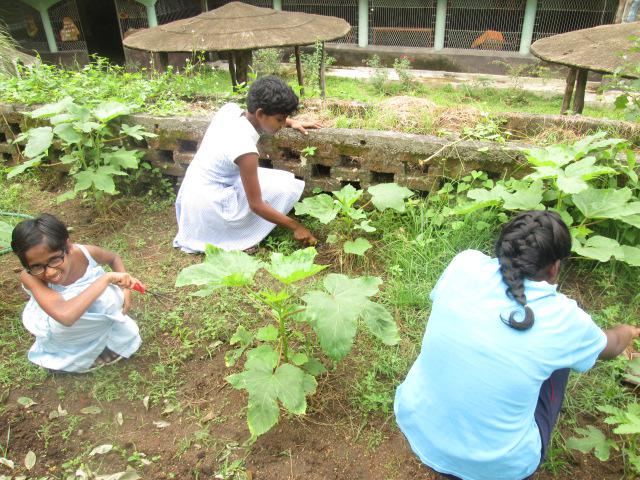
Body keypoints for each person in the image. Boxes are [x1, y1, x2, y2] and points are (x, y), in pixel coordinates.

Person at [394, 211, 640, 480]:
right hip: (499, 466)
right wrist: (628, 330)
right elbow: (612, 346)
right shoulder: (564, 320)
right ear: (555, 267)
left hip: (417, 424)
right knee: (564, 354)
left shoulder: (464, 264)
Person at [173, 75, 318, 253]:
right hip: (207, 206)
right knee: (283, 189)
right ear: (260, 114)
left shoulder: (230, 111)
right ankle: (233, 238)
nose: (282, 125)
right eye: (280, 119)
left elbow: (263, 116)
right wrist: (296, 226)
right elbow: (256, 205)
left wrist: (291, 122)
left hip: (193, 193)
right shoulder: (245, 149)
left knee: (284, 182)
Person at [11, 214, 142, 373]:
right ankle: (72, 354)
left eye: (54, 259)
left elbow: (113, 258)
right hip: (59, 315)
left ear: (68, 246)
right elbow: (66, 316)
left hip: (88, 308)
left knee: (110, 298)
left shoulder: (83, 253)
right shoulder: (30, 277)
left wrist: (126, 288)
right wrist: (106, 279)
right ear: (27, 266)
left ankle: (102, 341)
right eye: (37, 267)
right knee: (61, 326)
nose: (50, 272)